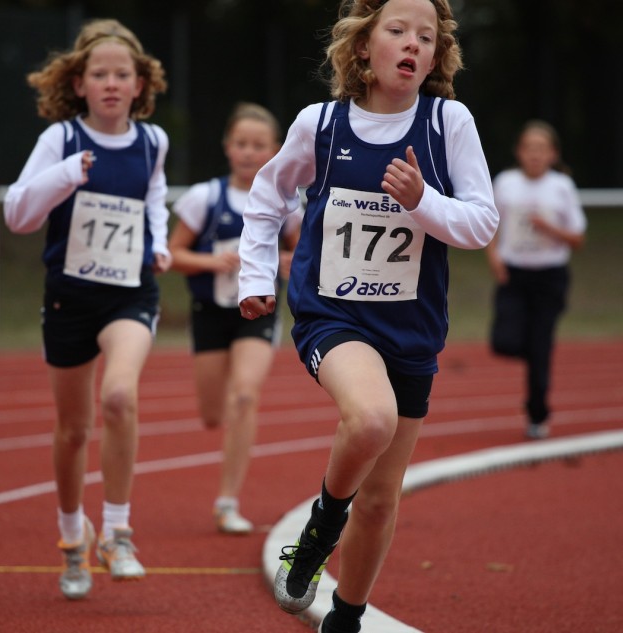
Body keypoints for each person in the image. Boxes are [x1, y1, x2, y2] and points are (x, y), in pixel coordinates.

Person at [237, 0, 499, 631]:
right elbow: (268, 197)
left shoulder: (448, 123)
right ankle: (322, 526)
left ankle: (345, 619)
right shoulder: (321, 124)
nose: (412, 44)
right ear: (362, 46)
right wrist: (254, 276)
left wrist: (423, 200)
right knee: (372, 417)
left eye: (426, 37)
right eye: (397, 30)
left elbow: (482, 223)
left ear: (435, 58)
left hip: (410, 331)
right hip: (333, 314)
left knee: (381, 500)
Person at [3, 18, 170, 600]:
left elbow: (154, 198)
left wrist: (160, 243)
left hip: (130, 293)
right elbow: (18, 214)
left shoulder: (153, 141)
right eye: (100, 74)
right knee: (74, 429)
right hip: (69, 298)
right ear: (79, 84)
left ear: (139, 84)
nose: (111, 84)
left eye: (122, 75)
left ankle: (118, 533)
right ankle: (73, 537)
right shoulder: (62, 141)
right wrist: (67, 175)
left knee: (120, 397)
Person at [169, 102, 301, 535]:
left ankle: (227, 501)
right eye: (241, 144)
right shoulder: (204, 198)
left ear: (276, 150)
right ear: (227, 147)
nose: (248, 152)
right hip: (210, 313)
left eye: (258, 145)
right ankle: (223, 426)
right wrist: (211, 262)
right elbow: (172, 254)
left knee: (244, 396)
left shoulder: (285, 202)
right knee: (212, 414)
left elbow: (303, 251)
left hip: (257, 312)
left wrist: (290, 262)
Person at [486, 120, 587, 440]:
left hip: (549, 277)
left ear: (553, 154)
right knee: (504, 341)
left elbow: (577, 238)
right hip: (513, 274)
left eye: (541, 149)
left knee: (540, 349)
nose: (535, 155)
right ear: (519, 151)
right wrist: (494, 258)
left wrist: (549, 228)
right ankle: (534, 350)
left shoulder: (562, 186)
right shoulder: (505, 182)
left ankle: (537, 415)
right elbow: (490, 223)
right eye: (529, 148)